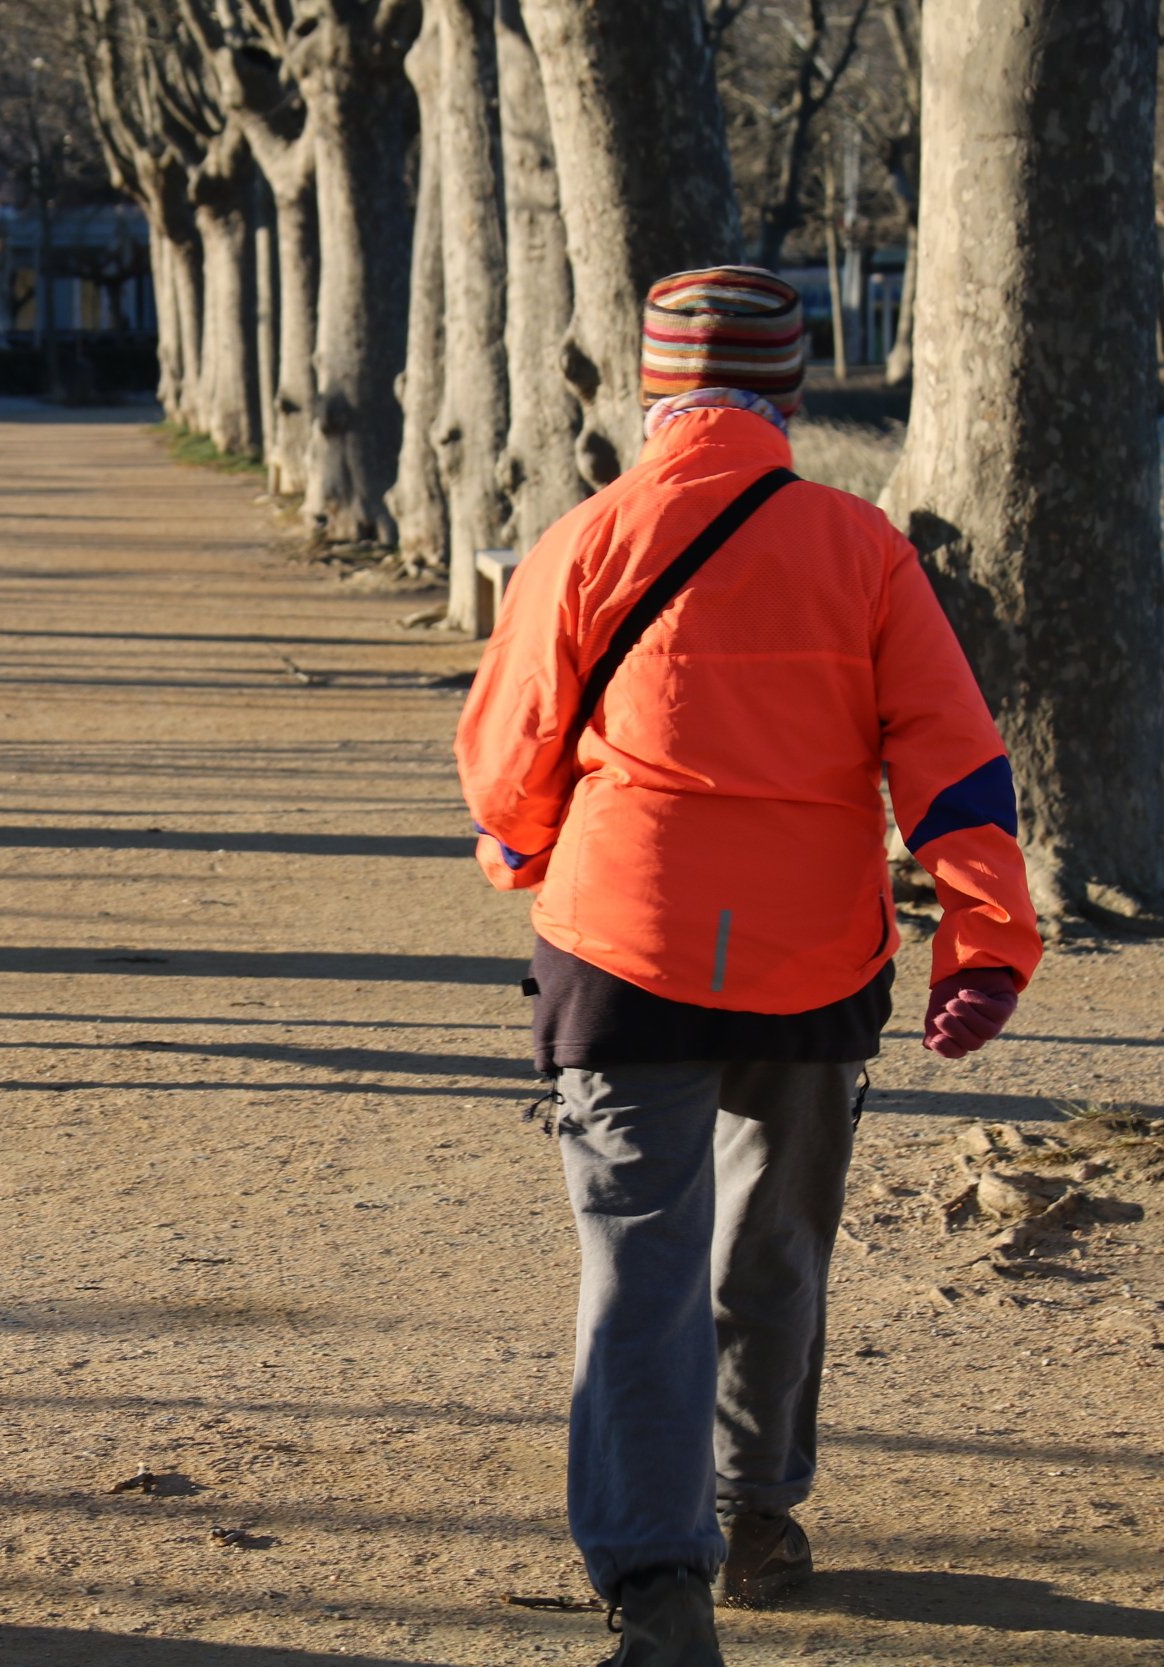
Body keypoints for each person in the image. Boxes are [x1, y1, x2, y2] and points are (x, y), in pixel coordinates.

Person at [454, 267, 1041, 1666]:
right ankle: (754, 1512)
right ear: (782, 391)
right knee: (772, 1250)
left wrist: (529, 856)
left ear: (656, 389)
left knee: (637, 1267)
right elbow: (953, 765)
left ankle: (662, 1589)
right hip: (811, 960)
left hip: (620, 947)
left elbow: (504, 755)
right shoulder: (862, 549)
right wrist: (984, 940)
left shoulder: (584, 538)